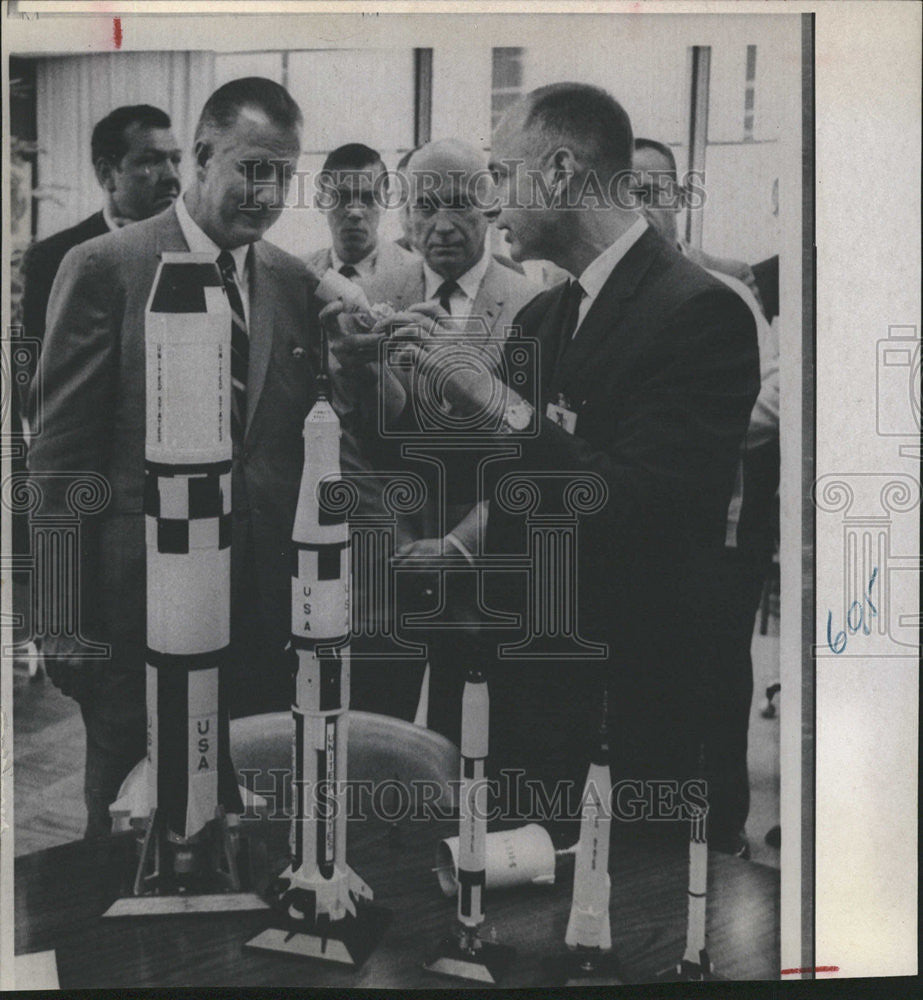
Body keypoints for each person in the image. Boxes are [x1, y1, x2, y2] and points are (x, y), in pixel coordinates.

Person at [341, 84, 761, 842]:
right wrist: (391, 375)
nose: (489, 203)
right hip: (533, 697)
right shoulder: (546, 313)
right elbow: (511, 480)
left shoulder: (701, 313)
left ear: (561, 171)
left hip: (637, 703)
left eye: (501, 176)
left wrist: (486, 392)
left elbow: (632, 506)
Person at [27, 77, 325, 838]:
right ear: (200, 156)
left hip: (260, 620)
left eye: (284, 176)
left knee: (251, 829)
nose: (268, 193)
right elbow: (59, 464)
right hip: (137, 619)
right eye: (252, 169)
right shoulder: (107, 267)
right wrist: (62, 621)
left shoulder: (295, 284)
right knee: (130, 839)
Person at [334, 138, 540, 720]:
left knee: (472, 743)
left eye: (459, 205)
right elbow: (354, 440)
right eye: (425, 208)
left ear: (492, 207)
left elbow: (534, 454)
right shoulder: (371, 300)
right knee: (375, 735)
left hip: (489, 567)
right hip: (386, 566)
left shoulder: (534, 305)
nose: (442, 226)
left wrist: (460, 546)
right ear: (402, 214)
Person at [634, 137, 780, 855]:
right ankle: (654, 824)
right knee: (654, 674)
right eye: (626, 192)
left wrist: (697, 434)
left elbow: (773, 394)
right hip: (644, 528)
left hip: (722, 529)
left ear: (677, 201)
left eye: (654, 192)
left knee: (717, 673)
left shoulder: (723, 294)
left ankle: (720, 822)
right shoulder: (610, 298)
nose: (642, 207)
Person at [21, 105, 181, 363]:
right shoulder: (53, 257)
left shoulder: (196, 252)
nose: (172, 175)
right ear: (107, 174)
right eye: (151, 160)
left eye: (175, 159)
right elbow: (33, 372)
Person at [633, 137, 765, 314]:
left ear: (679, 199)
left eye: (647, 193)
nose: (636, 209)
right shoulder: (598, 284)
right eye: (621, 199)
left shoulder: (730, 278)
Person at [306, 142, 416, 287]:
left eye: (368, 198)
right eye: (342, 197)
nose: (355, 212)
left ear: (386, 202)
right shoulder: (300, 273)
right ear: (320, 202)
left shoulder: (416, 274)